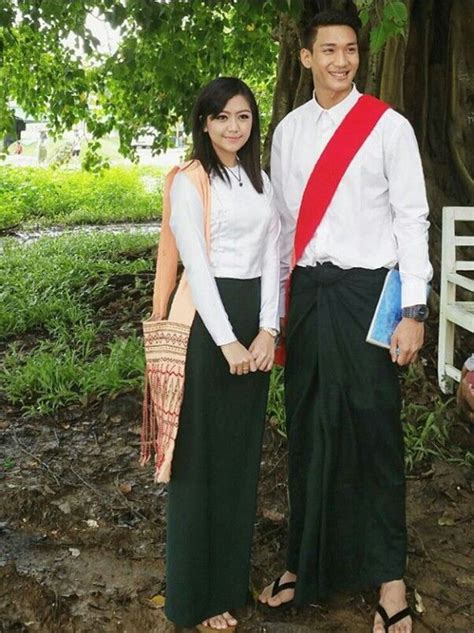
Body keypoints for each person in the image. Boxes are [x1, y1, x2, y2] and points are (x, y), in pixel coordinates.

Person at [258, 10, 432, 633]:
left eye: (350, 50)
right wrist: (272, 314)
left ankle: (390, 578)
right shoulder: (287, 133)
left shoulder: (390, 127)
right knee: (307, 426)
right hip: (307, 293)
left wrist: (414, 310)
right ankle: (304, 561)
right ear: (304, 57)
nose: (341, 61)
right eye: (328, 50)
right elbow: (280, 230)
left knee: (374, 430)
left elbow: (413, 220)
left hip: (369, 296)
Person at [148, 77, 280, 630]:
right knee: (198, 462)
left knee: (239, 459)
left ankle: (226, 586)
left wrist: (269, 329)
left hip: (254, 320)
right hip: (207, 325)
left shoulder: (261, 180)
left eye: (244, 116)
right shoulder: (189, 181)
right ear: (204, 122)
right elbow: (197, 267)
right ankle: (193, 598)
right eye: (222, 116)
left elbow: (275, 252)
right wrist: (227, 339)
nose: (233, 126)